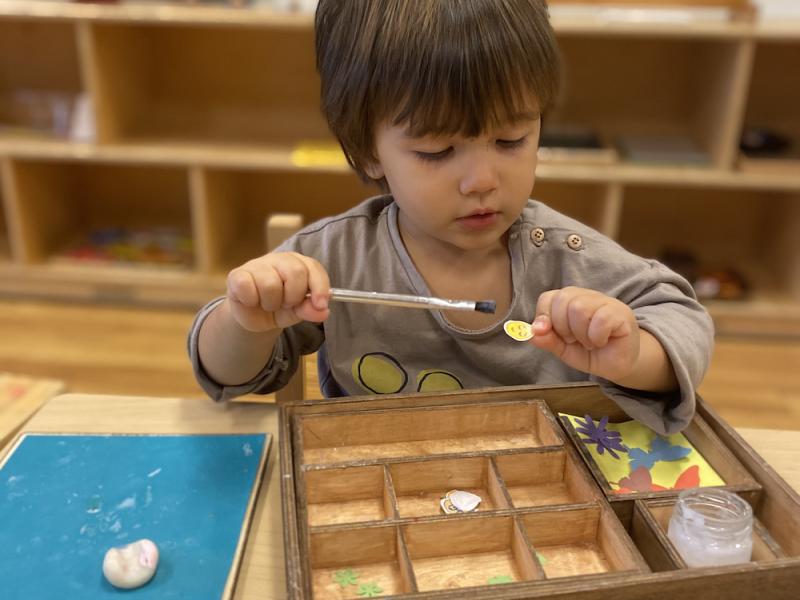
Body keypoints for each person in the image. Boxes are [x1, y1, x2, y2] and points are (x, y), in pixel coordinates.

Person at [188, 0, 714, 435]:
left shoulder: (567, 257)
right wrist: (245, 321)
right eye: (438, 151)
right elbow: (226, 376)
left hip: (536, 487)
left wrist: (635, 354)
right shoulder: (334, 258)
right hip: (376, 482)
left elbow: (684, 321)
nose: (482, 180)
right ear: (368, 151)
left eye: (511, 140)